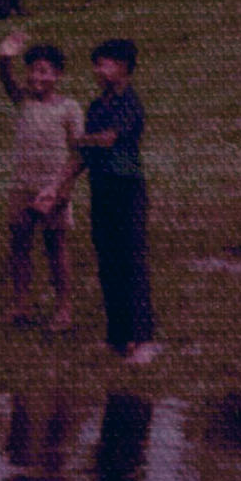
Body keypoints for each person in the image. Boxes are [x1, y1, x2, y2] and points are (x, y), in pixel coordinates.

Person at [36, 39, 159, 365]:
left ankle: (143, 339)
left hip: (128, 191)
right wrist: (58, 185)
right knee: (107, 264)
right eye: (96, 64)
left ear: (122, 68)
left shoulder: (131, 103)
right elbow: (84, 156)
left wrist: (76, 139)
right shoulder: (96, 107)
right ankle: (118, 337)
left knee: (131, 263)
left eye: (103, 64)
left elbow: (107, 140)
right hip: (101, 190)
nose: (97, 71)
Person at [0, 35, 83, 331]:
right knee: (19, 243)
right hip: (22, 186)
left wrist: (61, 190)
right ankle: (21, 304)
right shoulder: (24, 100)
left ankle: (64, 307)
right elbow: (7, 81)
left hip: (53, 188)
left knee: (55, 246)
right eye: (32, 70)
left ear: (58, 75)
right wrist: (5, 57)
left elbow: (79, 153)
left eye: (44, 71)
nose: (37, 77)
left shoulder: (69, 108)